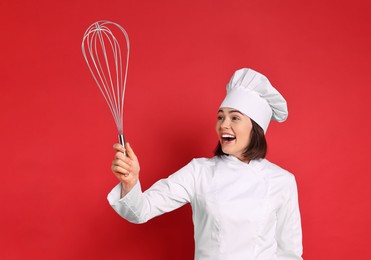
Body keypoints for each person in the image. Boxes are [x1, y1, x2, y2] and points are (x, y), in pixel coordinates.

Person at [107, 68, 303, 260]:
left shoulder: (282, 181)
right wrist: (130, 182)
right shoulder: (199, 171)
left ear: (256, 128)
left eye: (235, 117)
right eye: (220, 117)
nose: (223, 124)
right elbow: (141, 211)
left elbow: (290, 255)